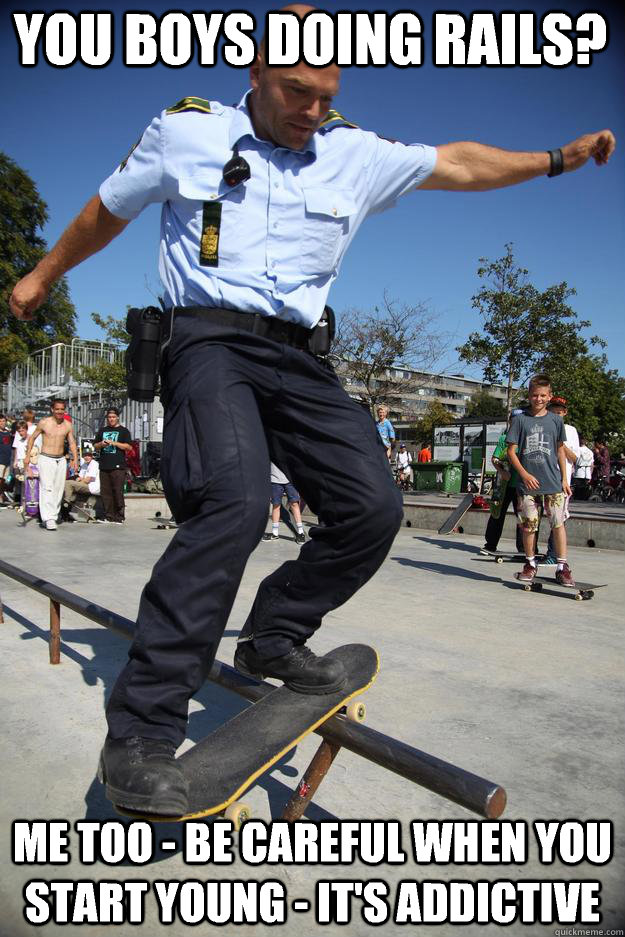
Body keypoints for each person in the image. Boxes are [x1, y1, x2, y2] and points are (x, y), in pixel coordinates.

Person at [9, 1, 614, 814]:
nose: (313, 111)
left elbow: (458, 163)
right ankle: (142, 731)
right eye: (296, 91)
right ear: (255, 73)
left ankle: (275, 634)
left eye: (327, 94)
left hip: (300, 357)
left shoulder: (351, 151)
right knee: (233, 502)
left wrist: (551, 159)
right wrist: (42, 278)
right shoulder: (186, 133)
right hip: (209, 342)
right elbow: (104, 210)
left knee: (372, 506)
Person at [507, 374, 574, 587]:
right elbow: (511, 452)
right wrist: (524, 475)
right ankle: (530, 563)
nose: (539, 399)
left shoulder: (556, 420)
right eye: (535, 395)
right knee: (529, 526)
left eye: (543, 395)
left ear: (550, 396)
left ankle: (562, 567)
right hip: (527, 485)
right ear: (529, 395)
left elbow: (560, 449)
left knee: (558, 523)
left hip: (553, 482)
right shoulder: (520, 420)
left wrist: (564, 478)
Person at [23, 399, 78, 531]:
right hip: (46, 458)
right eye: (57, 409)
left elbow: (71, 442)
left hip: (61, 459)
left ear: (64, 410)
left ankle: (53, 514)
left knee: (58, 489)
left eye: (62, 409)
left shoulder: (68, 425)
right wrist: (27, 456)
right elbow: (32, 438)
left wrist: (75, 458)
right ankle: (48, 518)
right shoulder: (44, 422)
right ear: (52, 410)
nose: (59, 411)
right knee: (47, 488)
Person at [482, 410, 525, 555]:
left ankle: (524, 548)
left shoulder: (526, 439)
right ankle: (490, 544)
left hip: (521, 485)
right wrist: (502, 471)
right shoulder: (504, 439)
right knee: (497, 513)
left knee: (523, 516)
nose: (516, 423)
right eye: (514, 420)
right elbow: (494, 459)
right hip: (504, 485)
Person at [543, 396, 580, 564]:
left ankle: (554, 554)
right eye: (553, 411)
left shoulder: (570, 431)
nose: (556, 415)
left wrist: (561, 443)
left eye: (560, 412)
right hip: (544, 476)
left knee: (559, 517)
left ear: (565, 413)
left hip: (561, 480)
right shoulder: (544, 427)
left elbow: (574, 458)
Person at [93, 409, 132, 524]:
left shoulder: (124, 431)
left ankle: (119, 517)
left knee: (118, 491)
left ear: (117, 417)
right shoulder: (102, 430)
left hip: (118, 466)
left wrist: (114, 443)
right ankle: (108, 516)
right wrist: (101, 444)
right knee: (106, 492)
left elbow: (129, 447)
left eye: (113, 417)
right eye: (109, 417)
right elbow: (95, 445)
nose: (111, 419)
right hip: (104, 465)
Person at [263, 462, 306, 543]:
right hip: (274, 480)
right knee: (276, 505)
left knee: (294, 504)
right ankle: (275, 534)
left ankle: (301, 533)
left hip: (290, 480)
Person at [63, 450, 101, 515]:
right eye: (85, 456)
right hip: (86, 485)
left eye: (89, 455)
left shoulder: (94, 464)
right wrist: (79, 480)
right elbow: (79, 478)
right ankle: (66, 503)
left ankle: (66, 502)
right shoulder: (84, 464)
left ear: (92, 456)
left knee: (68, 483)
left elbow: (88, 480)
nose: (87, 457)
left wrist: (78, 481)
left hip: (92, 487)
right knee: (67, 483)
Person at [0, 414, 13, 507]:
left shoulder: (8, 433)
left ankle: (1, 496)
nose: (2, 423)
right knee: (0, 480)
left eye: (3, 421)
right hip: (0, 460)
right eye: (0, 421)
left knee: (5, 480)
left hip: (7, 460)